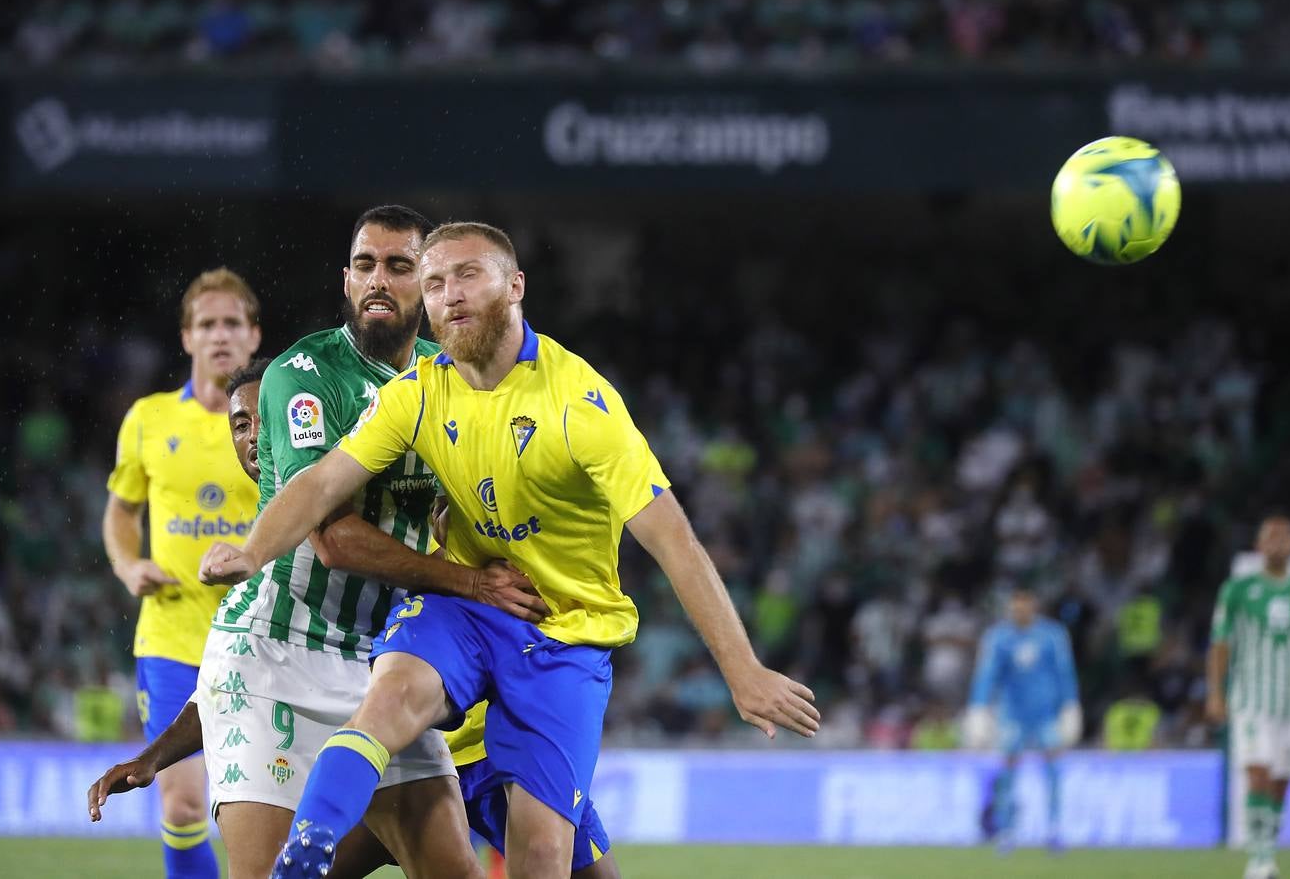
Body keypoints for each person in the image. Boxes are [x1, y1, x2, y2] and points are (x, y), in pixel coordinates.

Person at [200, 221, 820, 879]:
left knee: (547, 856)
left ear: (515, 285)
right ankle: (307, 848)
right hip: (468, 607)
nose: (450, 295)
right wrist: (252, 548)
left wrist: (743, 670)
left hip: (563, 634)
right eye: (434, 282)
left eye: (468, 274)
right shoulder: (416, 393)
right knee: (388, 700)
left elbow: (674, 540)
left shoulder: (579, 404)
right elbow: (321, 483)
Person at [91, 357, 622, 879]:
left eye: (263, 419)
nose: (254, 435)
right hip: (323, 692)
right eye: (240, 423)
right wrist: (156, 757)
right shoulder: (282, 546)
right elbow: (229, 680)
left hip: (404, 693)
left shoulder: (397, 456)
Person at [194, 205, 559, 879]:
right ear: (345, 279)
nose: (378, 280)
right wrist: (470, 584)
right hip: (275, 656)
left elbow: (465, 501)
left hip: (378, 662)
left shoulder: (446, 376)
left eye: (398, 266)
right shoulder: (303, 378)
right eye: (365, 265)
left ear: (427, 282)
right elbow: (334, 540)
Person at [101, 267, 263, 879]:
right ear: (187, 338)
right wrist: (127, 563)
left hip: (258, 637)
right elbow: (120, 512)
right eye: (206, 324)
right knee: (184, 801)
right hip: (171, 639)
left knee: (259, 813)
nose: (219, 335)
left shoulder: (273, 418)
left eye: (231, 324)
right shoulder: (148, 418)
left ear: (254, 336)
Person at [1207, 516, 1290, 879]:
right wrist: (1216, 693)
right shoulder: (1238, 589)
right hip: (1251, 699)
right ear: (1258, 544)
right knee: (1259, 771)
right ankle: (1259, 857)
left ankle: (1268, 848)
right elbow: (1220, 644)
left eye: (1284, 537)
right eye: (1270, 537)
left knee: (1283, 779)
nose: (1277, 543)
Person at [965, 585, 1081, 853]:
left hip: (1045, 713)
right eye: (1015, 606)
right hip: (1012, 713)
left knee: (1052, 768)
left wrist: (1070, 705)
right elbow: (986, 674)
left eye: (1024, 605)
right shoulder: (998, 637)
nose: (1019, 611)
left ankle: (1054, 828)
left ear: (1034, 605)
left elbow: (1064, 672)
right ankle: (1006, 830)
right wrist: (979, 707)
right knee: (1007, 771)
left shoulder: (1053, 635)